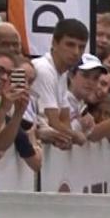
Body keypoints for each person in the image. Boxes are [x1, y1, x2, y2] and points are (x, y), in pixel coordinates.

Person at [31, 18, 88, 149]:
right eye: (70, 44)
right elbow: (54, 122)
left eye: (81, 47)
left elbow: (64, 119)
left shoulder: (62, 74)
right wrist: (76, 136)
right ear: (54, 43)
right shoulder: (44, 69)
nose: (76, 52)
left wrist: (68, 135)